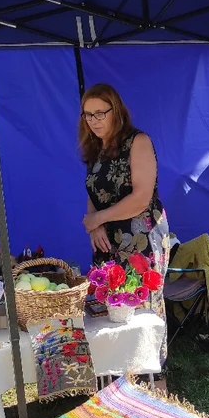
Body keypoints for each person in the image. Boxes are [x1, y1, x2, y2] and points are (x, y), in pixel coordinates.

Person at [80, 84, 170, 354]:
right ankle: (116, 371)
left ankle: (152, 376)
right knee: (109, 304)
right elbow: (93, 191)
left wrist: (97, 219)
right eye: (88, 115)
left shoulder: (138, 142)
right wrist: (94, 224)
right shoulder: (96, 148)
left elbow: (142, 198)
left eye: (100, 113)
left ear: (115, 111)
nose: (94, 121)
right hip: (107, 239)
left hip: (141, 236)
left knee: (141, 306)